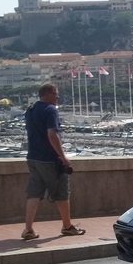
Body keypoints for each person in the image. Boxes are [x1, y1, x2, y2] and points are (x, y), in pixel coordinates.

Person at [22, 83, 85, 240]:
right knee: (61, 194)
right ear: (47, 94)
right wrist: (63, 157)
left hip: (33, 157)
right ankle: (67, 226)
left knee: (34, 194)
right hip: (50, 160)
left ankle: (28, 229)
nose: (57, 97)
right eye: (55, 94)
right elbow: (52, 135)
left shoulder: (30, 110)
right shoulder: (50, 110)